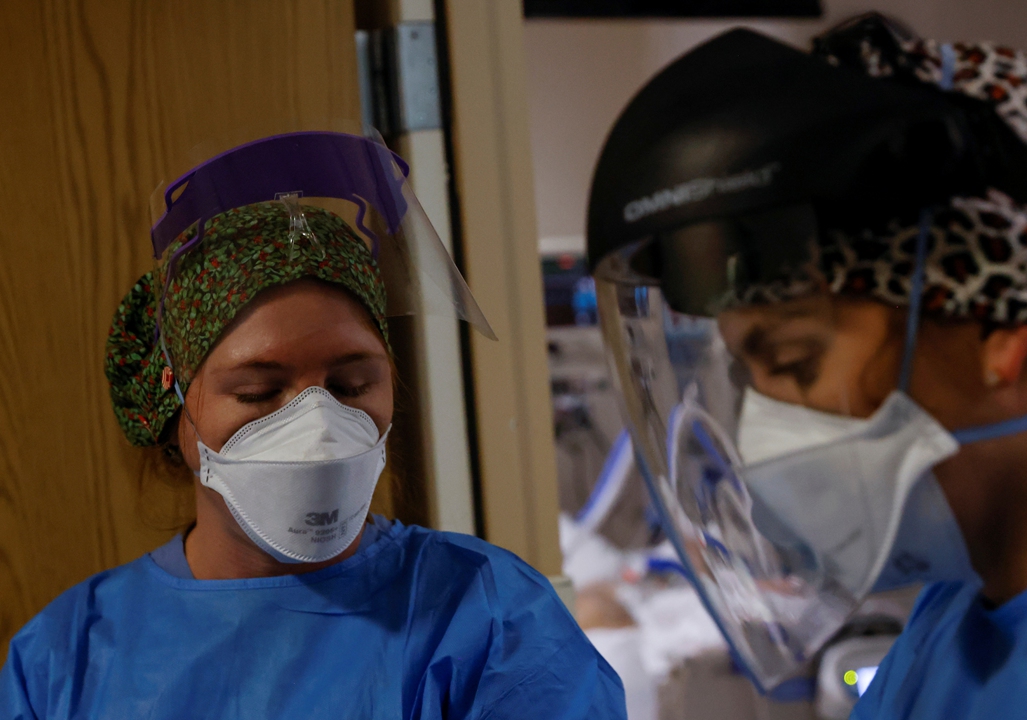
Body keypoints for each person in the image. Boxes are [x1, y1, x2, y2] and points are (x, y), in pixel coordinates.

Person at [586, 14, 1027, 719]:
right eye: (751, 376)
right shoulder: (963, 613)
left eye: (795, 361)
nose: (766, 426)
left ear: (997, 324)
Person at [0, 130, 624, 719]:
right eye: (258, 391)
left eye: (353, 386)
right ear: (174, 415)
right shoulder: (64, 658)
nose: (320, 426)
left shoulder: (489, 618)